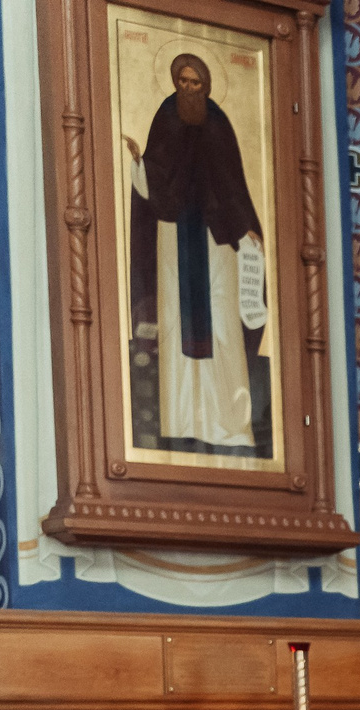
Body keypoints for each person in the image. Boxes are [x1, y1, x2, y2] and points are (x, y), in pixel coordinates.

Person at [127, 53, 269, 458]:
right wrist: (139, 165)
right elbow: (154, 173)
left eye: (196, 83)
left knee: (222, 324)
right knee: (175, 325)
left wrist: (246, 225)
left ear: (206, 85)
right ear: (175, 83)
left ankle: (231, 426)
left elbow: (232, 180)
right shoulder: (165, 116)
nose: (189, 89)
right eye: (183, 82)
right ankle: (181, 421)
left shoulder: (219, 122)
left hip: (215, 237)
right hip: (173, 233)